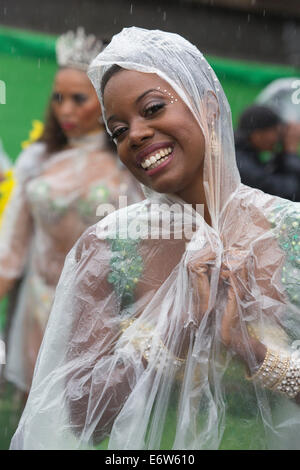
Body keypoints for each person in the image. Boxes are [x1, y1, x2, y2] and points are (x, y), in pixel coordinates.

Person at [10, 27, 300, 450]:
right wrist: (175, 335)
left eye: (153, 108)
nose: (136, 135)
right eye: (119, 130)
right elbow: (77, 410)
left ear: (208, 107)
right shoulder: (108, 247)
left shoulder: (291, 232)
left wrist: (249, 349)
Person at [0, 27, 142, 394]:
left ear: (102, 100)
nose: (66, 109)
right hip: (38, 300)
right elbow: (11, 244)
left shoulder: (127, 165)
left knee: (80, 408)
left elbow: (141, 247)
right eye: (58, 97)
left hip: (96, 310)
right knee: (33, 406)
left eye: (79, 99)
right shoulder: (37, 159)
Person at [235, 104, 300, 201]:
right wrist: (290, 150)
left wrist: (283, 154)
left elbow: (270, 174)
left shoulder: (241, 153)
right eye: (275, 130)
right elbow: (288, 193)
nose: (278, 136)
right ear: (257, 135)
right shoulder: (239, 162)